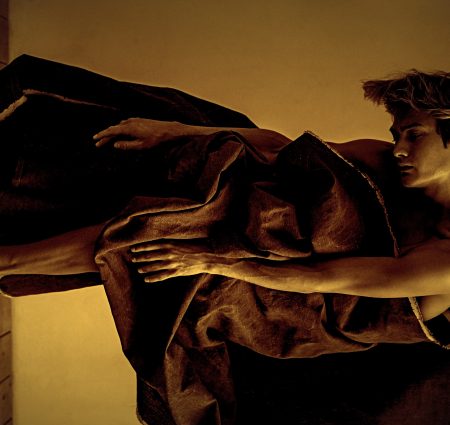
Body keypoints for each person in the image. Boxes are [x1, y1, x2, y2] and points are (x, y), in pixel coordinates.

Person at [89, 70, 450, 323]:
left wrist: (209, 260)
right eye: (397, 135)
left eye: (415, 135)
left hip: (297, 320)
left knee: (159, 241)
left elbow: (322, 278)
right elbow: (283, 150)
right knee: (217, 169)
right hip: (277, 248)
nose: (399, 149)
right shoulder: (383, 159)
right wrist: (174, 132)